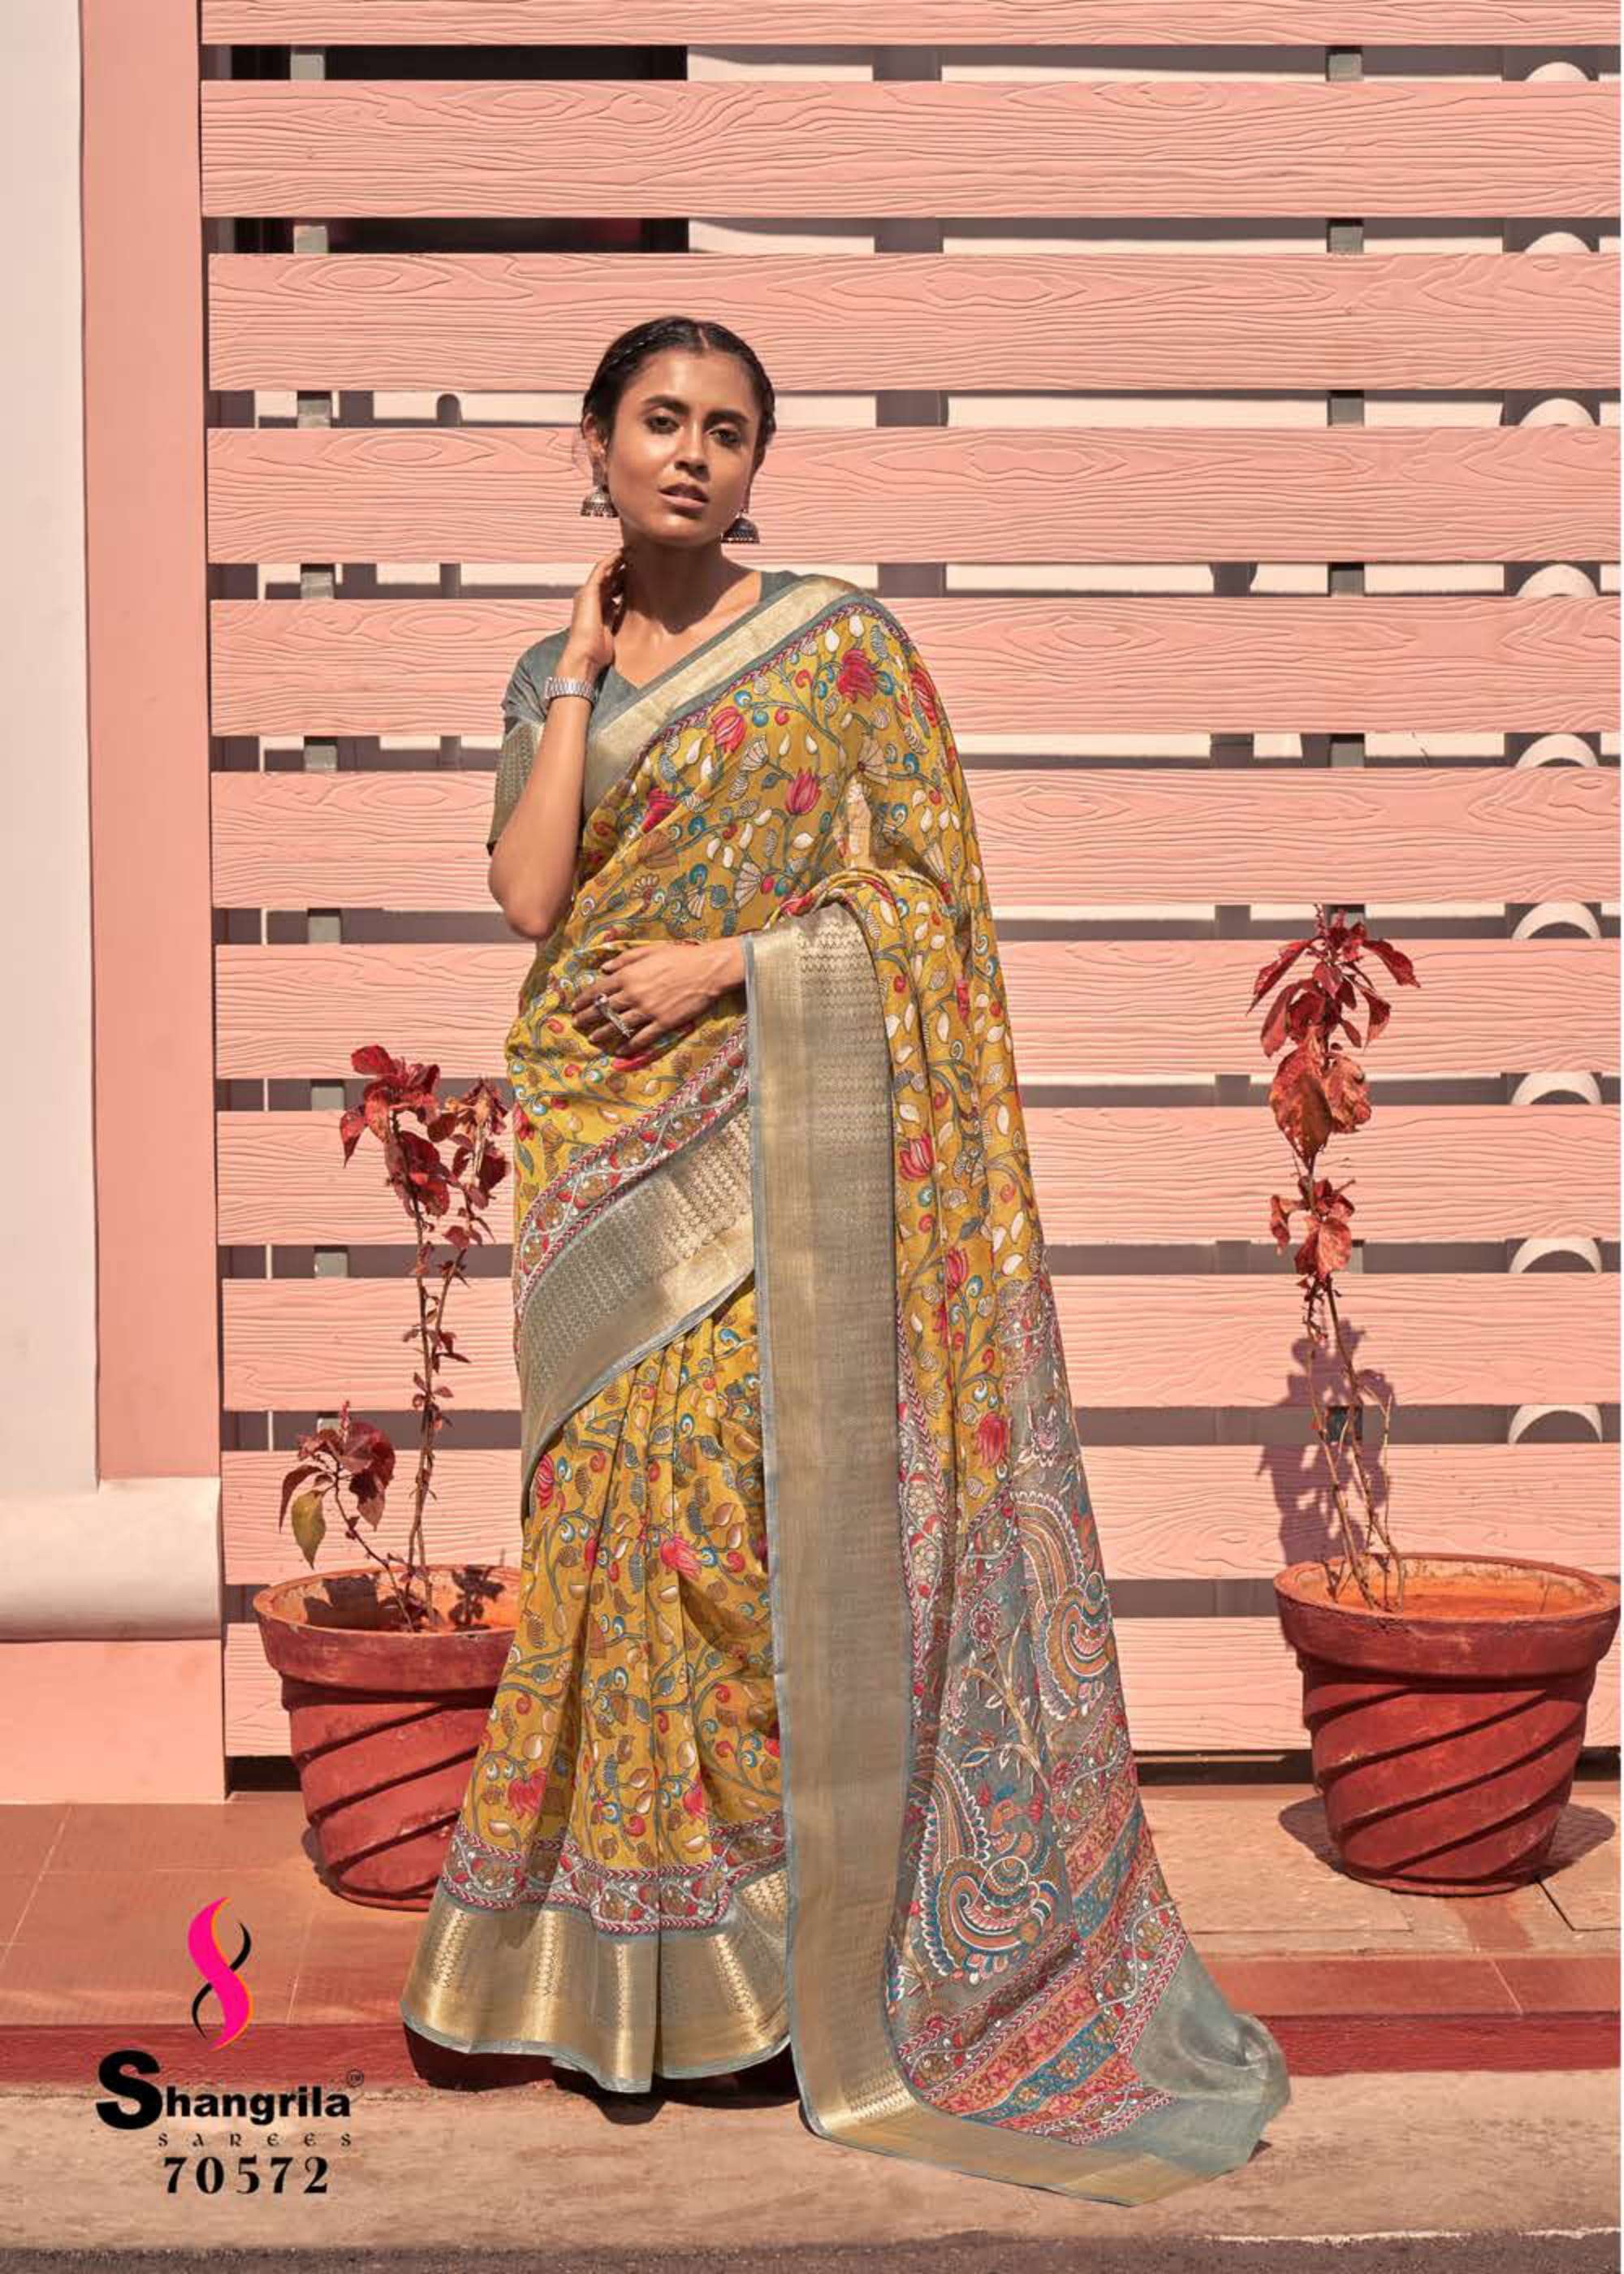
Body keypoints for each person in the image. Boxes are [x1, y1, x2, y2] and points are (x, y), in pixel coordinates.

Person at [399, 316, 1290, 2204]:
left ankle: (759, 1962)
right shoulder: (549, 671)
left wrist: (730, 964)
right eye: (659, 420)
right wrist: (574, 679)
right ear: (594, 441)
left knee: (722, 1527)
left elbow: (925, 898)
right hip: (592, 1136)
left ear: (756, 464)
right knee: (601, 1525)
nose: (691, 454)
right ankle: (612, 1973)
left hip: (757, 1124)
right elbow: (532, 896)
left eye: (727, 430)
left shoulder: (840, 648)